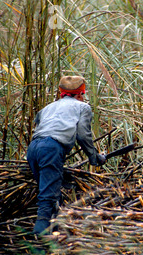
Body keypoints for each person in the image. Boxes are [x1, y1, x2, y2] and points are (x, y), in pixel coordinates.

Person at [27, 75, 106, 235]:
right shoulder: (82, 107)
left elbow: (40, 128)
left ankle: (55, 235)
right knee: (48, 199)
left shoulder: (46, 108)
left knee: (51, 196)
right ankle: (39, 244)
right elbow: (83, 135)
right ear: (80, 94)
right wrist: (94, 157)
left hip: (33, 149)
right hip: (51, 148)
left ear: (62, 93)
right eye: (83, 94)